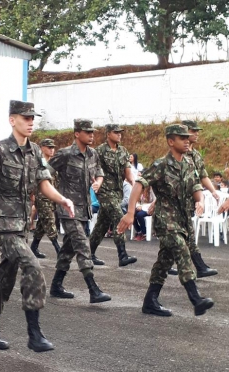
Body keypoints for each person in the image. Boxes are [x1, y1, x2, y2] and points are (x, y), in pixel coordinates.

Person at [0, 100, 74, 352]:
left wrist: (62, 199)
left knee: (6, 279)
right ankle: (34, 334)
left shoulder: (35, 152)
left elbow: (44, 184)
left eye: (33, 118)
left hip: (23, 226)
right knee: (32, 267)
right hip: (4, 226)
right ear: (13, 120)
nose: (31, 122)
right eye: (25, 118)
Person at [117, 124, 214, 317]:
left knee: (164, 261)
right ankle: (196, 299)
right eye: (181, 138)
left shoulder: (189, 163)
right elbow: (139, 185)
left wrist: (200, 202)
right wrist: (130, 212)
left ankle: (150, 301)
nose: (187, 140)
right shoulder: (160, 164)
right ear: (171, 141)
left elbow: (196, 188)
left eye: (187, 137)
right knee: (182, 250)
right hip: (166, 220)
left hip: (183, 220)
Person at [48, 119, 111, 304]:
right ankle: (93, 289)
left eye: (92, 132)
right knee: (83, 245)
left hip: (85, 209)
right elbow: (44, 173)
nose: (91, 135)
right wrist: (53, 194)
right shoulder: (65, 154)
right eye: (87, 132)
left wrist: (98, 181)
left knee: (68, 249)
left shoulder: (93, 154)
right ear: (77, 133)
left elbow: (99, 172)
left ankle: (56, 285)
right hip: (68, 209)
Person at [167, 120, 218, 277]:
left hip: (192, 199)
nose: (196, 134)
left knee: (183, 233)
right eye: (192, 131)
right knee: (186, 232)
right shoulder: (178, 154)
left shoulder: (194, 155)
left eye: (197, 131)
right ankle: (199, 266)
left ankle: (167, 263)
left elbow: (202, 176)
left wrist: (213, 191)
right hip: (178, 201)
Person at [89, 123, 136, 267]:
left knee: (102, 225)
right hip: (104, 192)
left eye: (120, 132)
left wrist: (134, 185)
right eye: (116, 132)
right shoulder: (100, 151)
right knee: (118, 216)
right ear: (108, 133)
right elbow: (93, 168)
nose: (119, 135)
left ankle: (88, 254)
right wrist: (95, 182)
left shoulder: (123, 151)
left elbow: (127, 171)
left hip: (117, 192)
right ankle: (122, 255)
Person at [30, 138, 61, 258]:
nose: (52, 150)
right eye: (49, 147)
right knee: (49, 220)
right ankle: (59, 249)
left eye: (53, 147)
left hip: (52, 198)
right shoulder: (36, 163)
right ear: (42, 147)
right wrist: (32, 195)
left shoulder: (53, 164)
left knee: (42, 225)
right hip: (41, 197)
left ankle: (34, 247)